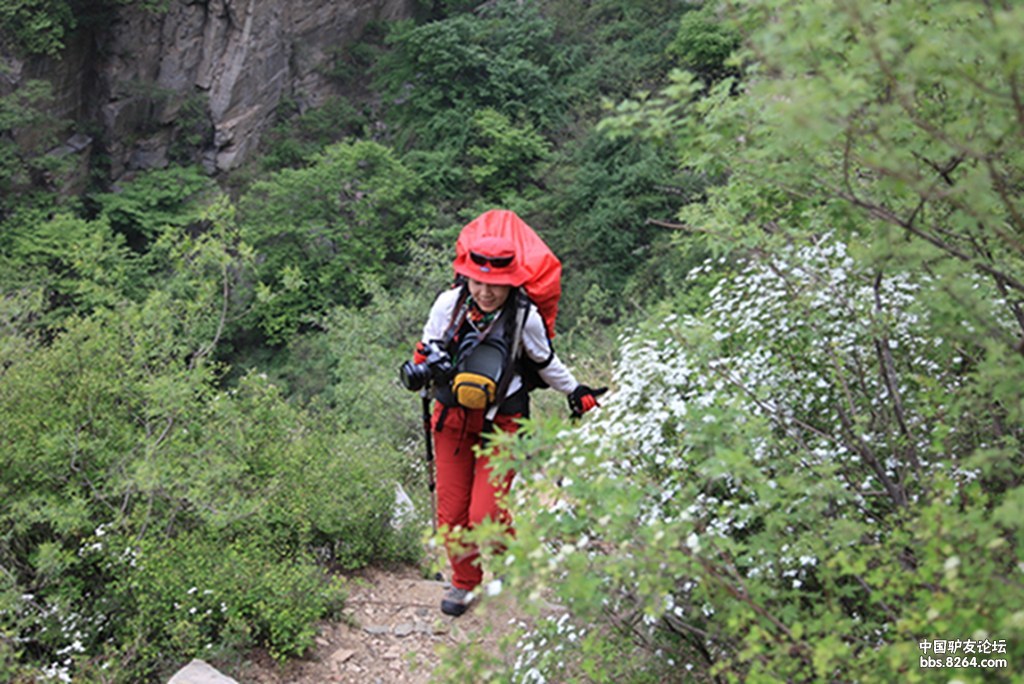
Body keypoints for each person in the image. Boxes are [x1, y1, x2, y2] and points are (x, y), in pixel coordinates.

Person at [409, 234, 605, 616]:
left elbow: (545, 362)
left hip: (504, 422)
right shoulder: (448, 305)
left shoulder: (523, 315)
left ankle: (513, 562)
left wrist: (576, 390)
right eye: (477, 281)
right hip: (451, 421)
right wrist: (419, 369)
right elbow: (426, 348)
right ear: (465, 277)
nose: (485, 291)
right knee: (451, 516)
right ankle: (465, 582)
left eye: (494, 284)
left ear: (510, 281)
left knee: (486, 513)